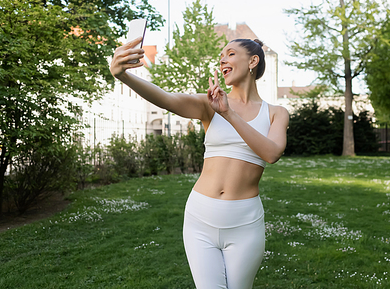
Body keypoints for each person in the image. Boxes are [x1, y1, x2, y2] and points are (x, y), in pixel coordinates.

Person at [110, 37, 289, 289]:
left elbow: (271, 153)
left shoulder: (275, 113)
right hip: (200, 218)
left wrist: (228, 113)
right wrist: (123, 76)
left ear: (253, 61)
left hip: (245, 223)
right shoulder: (209, 103)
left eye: (230, 54)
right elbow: (167, 98)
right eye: (221, 56)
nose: (222, 60)